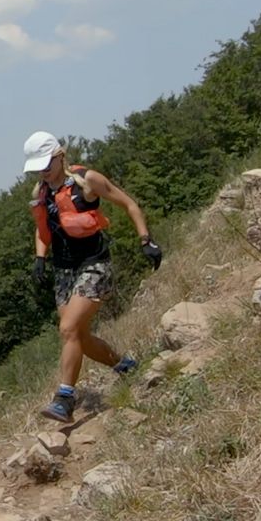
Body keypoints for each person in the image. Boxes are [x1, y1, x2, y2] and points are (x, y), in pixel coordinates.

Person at [23, 131, 163, 423]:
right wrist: (39, 257)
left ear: (60, 156)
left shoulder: (87, 181)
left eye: (47, 165)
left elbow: (129, 204)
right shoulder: (43, 192)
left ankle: (64, 399)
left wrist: (145, 240)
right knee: (79, 337)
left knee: (68, 328)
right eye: (38, 168)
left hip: (94, 263)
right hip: (63, 269)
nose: (43, 173)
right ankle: (124, 366)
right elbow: (43, 228)